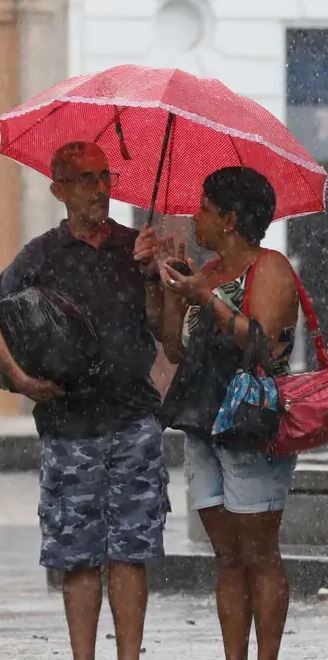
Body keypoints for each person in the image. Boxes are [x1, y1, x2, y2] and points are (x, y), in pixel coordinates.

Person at [0, 141, 168, 660]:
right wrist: (21, 380)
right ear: (59, 190)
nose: (100, 189)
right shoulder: (41, 256)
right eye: (86, 179)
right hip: (69, 426)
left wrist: (153, 278)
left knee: (131, 552)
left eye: (105, 177)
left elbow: (165, 332)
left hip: (134, 420)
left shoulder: (133, 247)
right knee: (77, 556)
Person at [157, 166, 299, 660]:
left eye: (205, 209)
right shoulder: (209, 272)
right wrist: (174, 290)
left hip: (251, 425)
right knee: (228, 556)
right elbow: (175, 350)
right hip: (203, 424)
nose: (196, 218)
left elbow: (261, 343)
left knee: (260, 554)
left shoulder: (271, 268)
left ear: (231, 219)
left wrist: (207, 300)